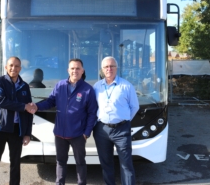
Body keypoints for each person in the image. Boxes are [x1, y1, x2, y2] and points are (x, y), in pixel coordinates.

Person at [29, 58, 98, 185]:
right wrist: (37, 107)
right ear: (68, 70)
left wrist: (86, 133)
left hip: (78, 135)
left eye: (78, 68)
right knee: (60, 162)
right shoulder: (60, 85)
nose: (75, 71)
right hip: (60, 133)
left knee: (80, 162)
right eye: (72, 68)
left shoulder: (88, 90)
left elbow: (92, 113)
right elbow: (51, 101)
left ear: (82, 71)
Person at [0, 56, 35, 185]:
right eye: (11, 65)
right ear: (6, 67)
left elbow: (29, 111)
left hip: (16, 130)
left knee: (15, 163)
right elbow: (1, 101)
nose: (14, 68)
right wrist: (23, 106)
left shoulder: (24, 86)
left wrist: (27, 133)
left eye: (17, 66)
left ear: (20, 68)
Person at [93, 56, 139, 185]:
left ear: (116, 68)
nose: (109, 69)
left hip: (122, 130)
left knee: (126, 164)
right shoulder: (97, 87)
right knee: (106, 163)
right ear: (102, 69)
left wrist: (124, 120)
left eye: (112, 66)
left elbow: (134, 106)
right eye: (106, 67)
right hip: (101, 130)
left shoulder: (126, 86)